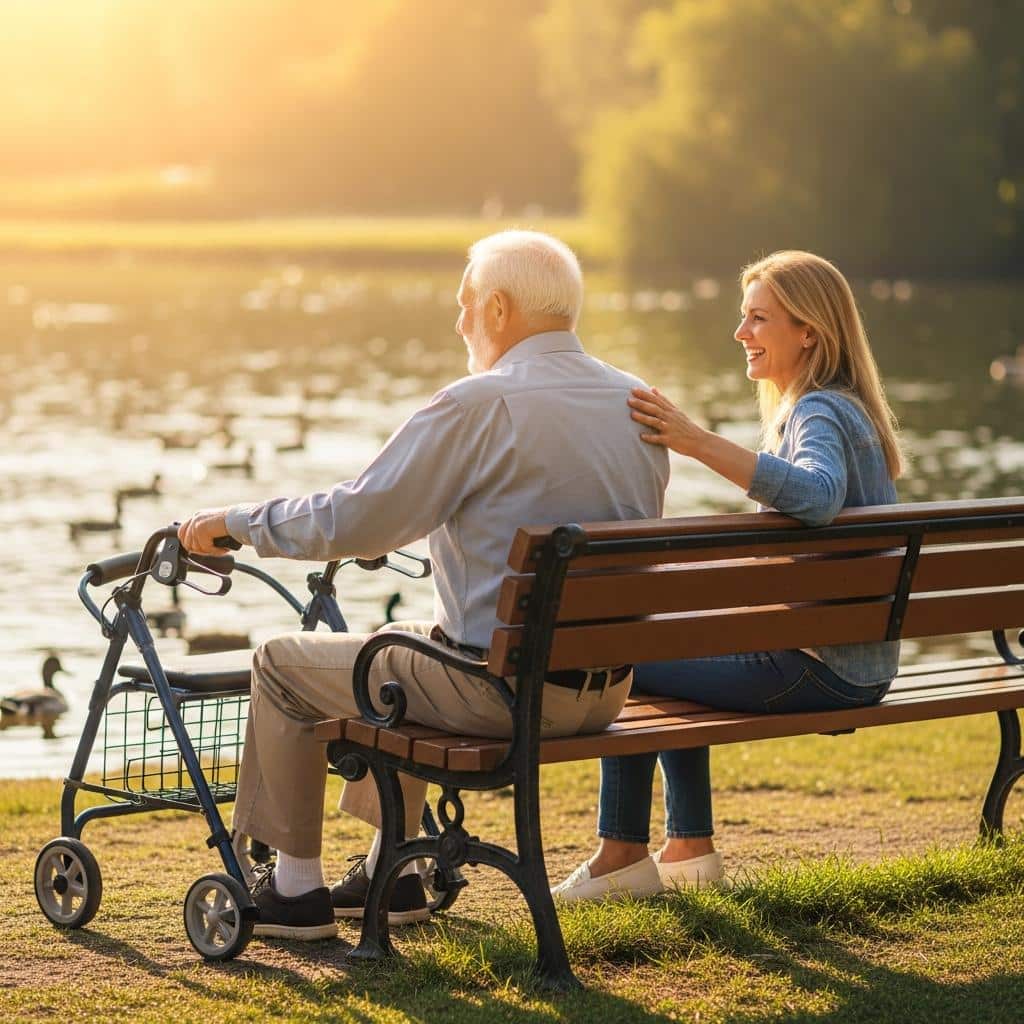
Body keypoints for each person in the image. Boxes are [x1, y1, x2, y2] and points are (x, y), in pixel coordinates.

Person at [179, 230, 669, 940]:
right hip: (602, 692)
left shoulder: (478, 404)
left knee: (280, 664)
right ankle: (395, 870)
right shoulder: (636, 401)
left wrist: (236, 523)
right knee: (400, 650)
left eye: (466, 304)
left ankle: (294, 889)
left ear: (498, 309)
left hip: (499, 697)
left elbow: (359, 517)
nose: (459, 321)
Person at [553, 249, 904, 903]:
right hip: (866, 666)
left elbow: (820, 496)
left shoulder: (818, 412)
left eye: (758, 319)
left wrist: (694, 440)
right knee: (666, 640)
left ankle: (622, 856)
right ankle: (687, 847)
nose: (741, 334)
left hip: (818, 669)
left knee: (621, 661)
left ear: (809, 332)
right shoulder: (851, 411)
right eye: (744, 318)